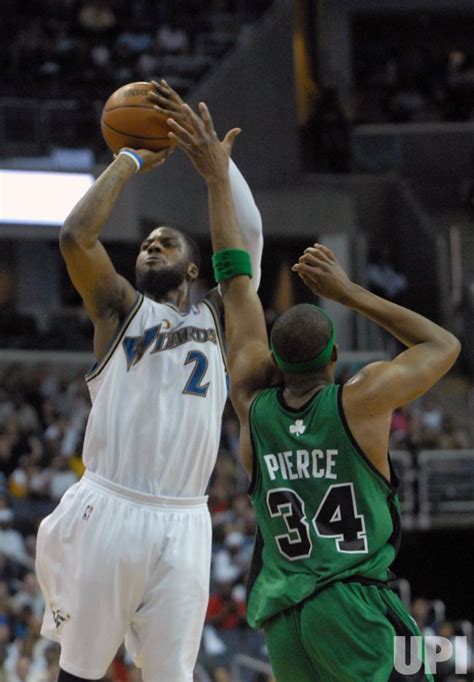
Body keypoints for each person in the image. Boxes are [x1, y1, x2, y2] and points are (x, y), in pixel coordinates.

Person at [168, 103, 461, 680]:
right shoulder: (360, 399)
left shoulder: (253, 401)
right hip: (354, 607)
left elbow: (234, 284)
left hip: (285, 616)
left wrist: (213, 181)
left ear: (276, 359)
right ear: (335, 358)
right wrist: (351, 293)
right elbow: (442, 346)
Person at [35, 83, 263, 682]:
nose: (150, 244)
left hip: (187, 518)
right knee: (80, 672)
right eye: (144, 243)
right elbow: (74, 239)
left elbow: (252, 242)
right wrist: (129, 159)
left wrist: (219, 169)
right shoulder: (117, 309)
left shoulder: (217, 315)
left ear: (194, 267)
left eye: (165, 241)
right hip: (110, 505)